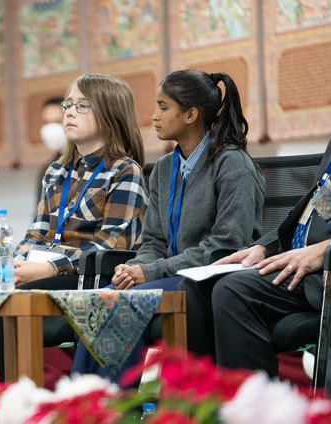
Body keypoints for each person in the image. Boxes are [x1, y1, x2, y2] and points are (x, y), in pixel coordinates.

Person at [180, 1, 331, 377]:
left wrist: (324, 251)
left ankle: (255, 411)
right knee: (207, 285)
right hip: (309, 265)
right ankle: (215, 406)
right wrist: (263, 247)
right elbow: (318, 203)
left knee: (233, 292)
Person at [71, 69, 265, 380]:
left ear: (190, 114)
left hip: (212, 281)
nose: (153, 116)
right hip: (172, 276)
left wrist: (150, 272)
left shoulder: (233, 164)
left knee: (125, 305)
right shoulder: (163, 169)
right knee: (100, 301)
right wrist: (135, 269)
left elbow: (227, 244)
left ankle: (120, 407)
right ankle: (85, 402)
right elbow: (154, 242)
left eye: (163, 107)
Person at [0, 73, 148, 386]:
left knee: (12, 304)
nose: (69, 112)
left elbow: (111, 247)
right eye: (68, 104)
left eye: (82, 106)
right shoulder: (58, 170)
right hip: (41, 273)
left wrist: (46, 268)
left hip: (85, 281)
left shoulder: (125, 170)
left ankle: (15, 400)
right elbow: (36, 234)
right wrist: (13, 263)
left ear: (110, 112)